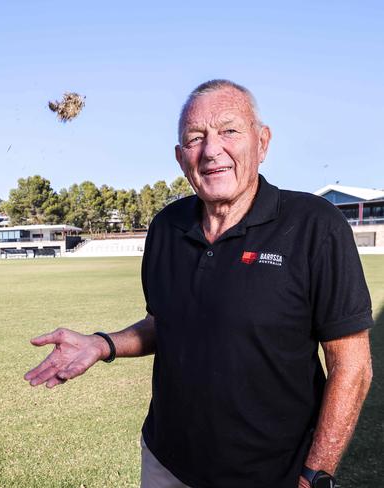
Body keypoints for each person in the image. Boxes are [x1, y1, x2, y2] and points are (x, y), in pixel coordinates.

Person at [24, 80, 374, 488]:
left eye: (229, 131)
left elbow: (352, 366)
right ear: (180, 157)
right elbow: (169, 321)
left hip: (272, 474)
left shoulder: (314, 225)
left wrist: (314, 476)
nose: (211, 150)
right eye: (195, 138)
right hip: (166, 463)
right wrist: (103, 344)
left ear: (262, 142)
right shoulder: (166, 228)